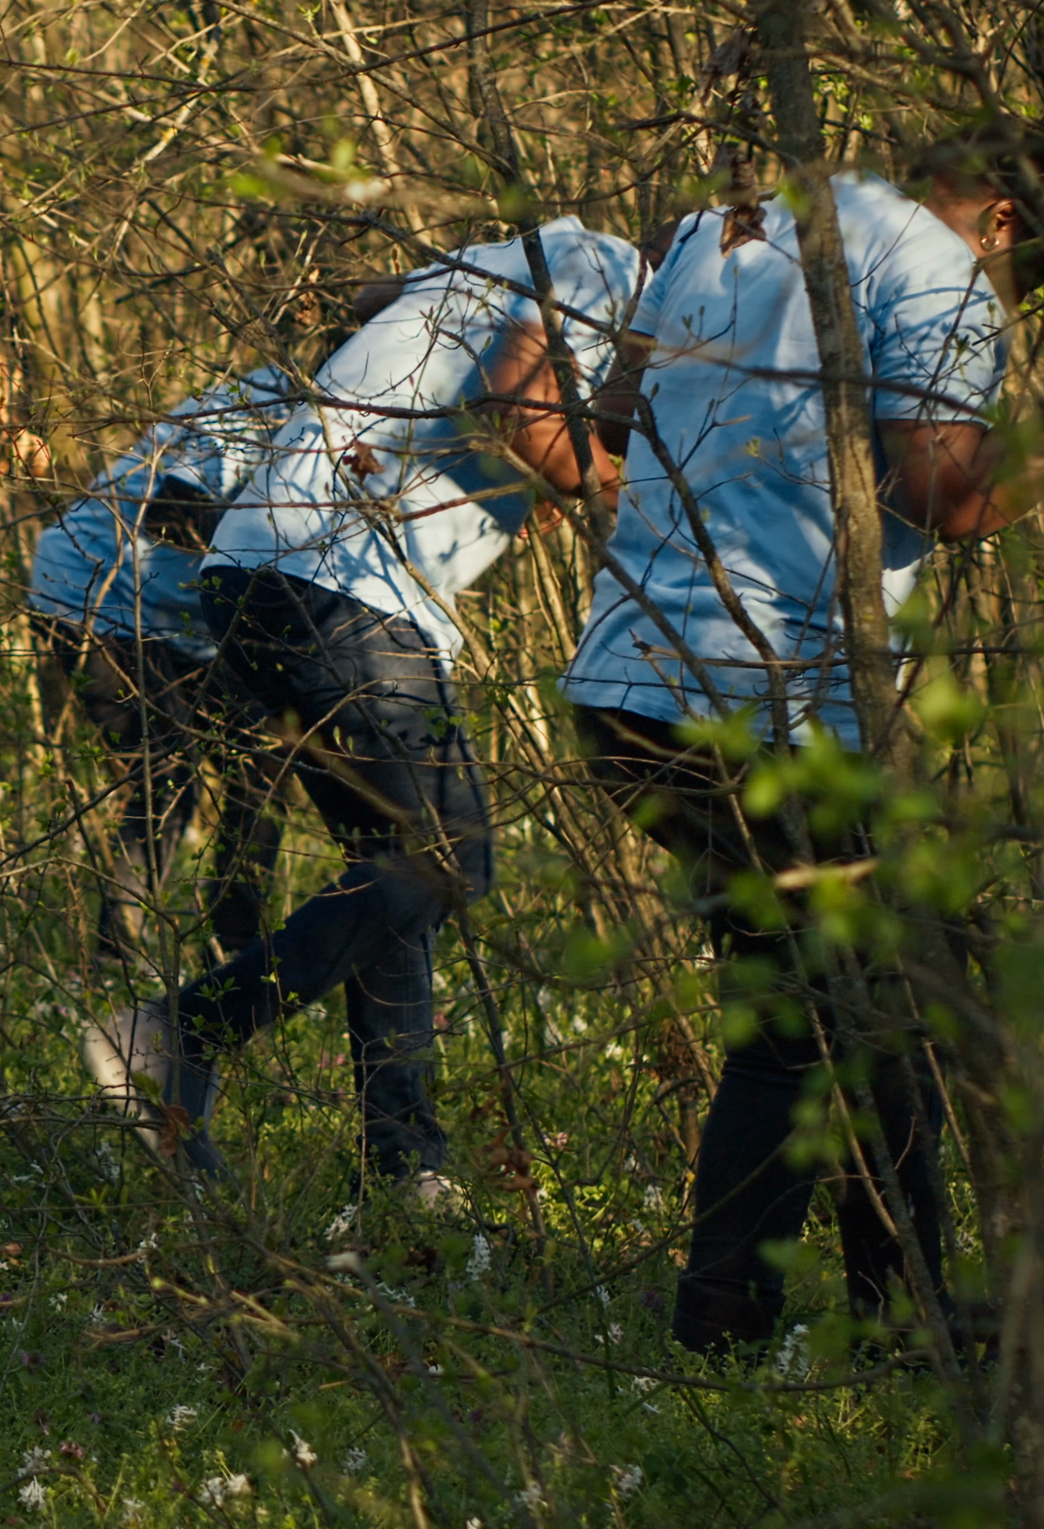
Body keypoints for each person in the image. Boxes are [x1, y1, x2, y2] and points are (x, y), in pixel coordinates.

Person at [563, 134, 1044, 1353]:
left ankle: (903, 1311)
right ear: (1003, 220)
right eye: (1027, 279)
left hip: (630, 683)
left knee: (860, 998)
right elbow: (946, 495)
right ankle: (739, 1332)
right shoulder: (940, 268)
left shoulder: (730, 223)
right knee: (823, 1014)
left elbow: (613, 411)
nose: (1012, 303)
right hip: (765, 693)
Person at [85, 215, 647, 1192]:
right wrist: (610, 486)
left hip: (256, 574)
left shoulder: (494, 267)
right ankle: (179, 1033)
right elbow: (523, 410)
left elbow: (374, 304)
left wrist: (510, 453)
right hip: (343, 583)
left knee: (390, 873)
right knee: (449, 858)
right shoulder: (608, 266)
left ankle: (403, 1166)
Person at [32, 372, 294, 971]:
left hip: (181, 622)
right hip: (94, 596)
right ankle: (115, 957)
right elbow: (173, 514)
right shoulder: (257, 407)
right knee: (168, 768)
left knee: (266, 762)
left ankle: (233, 954)